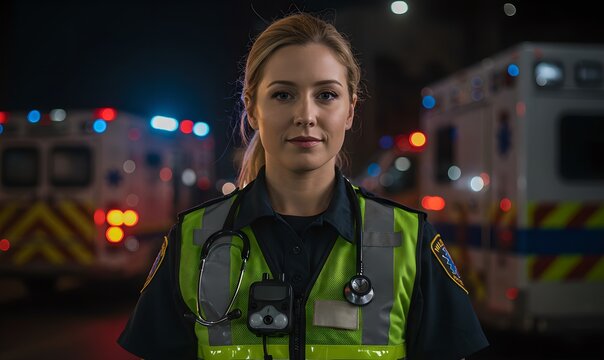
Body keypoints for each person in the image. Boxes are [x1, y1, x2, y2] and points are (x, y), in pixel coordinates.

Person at [118, 12, 489, 360]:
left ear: (350, 110)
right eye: (283, 94)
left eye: (326, 95)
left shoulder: (410, 239)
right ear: (251, 108)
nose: (305, 116)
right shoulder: (192, 239)